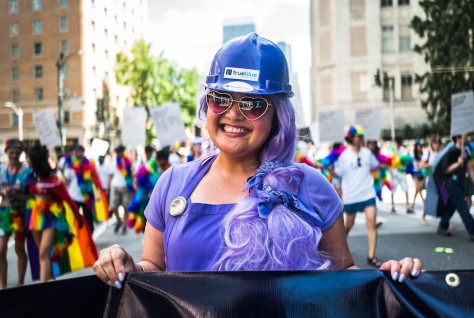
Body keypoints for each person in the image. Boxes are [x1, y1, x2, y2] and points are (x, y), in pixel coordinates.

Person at [93, 33, 421, 289]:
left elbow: (344, 277)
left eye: (253, 104)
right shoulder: (173, 183)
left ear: (277, 117)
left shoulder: (311, 186)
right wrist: (125, 265)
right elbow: (153, 270)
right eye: (220, 98)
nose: (233, 113)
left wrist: (389, 278)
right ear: (207, 105)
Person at [25, 145, 90, 282]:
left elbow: (67, 199)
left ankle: (42, 289)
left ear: (35, 161)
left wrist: (78, 219)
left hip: (52, 217)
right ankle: (52, 280)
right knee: (42, 253)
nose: (26, 161)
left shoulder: (54, 179)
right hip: (36, 217)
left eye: (28, 158)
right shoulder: (30, 177)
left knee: (43, 252)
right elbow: (27, 193)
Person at [333, 127, 384, 268]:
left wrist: (390, 163)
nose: (360, 138)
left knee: (371, 221)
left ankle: (371, 256)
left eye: (362, 136)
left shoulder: (367, 153)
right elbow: (338, 174)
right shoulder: (344, 156)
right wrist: (329, 168)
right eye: (357, 136)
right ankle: (339, 247)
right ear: (351, 138)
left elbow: (377, 165)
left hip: (367, 193)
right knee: (348, 224)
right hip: (351, 195)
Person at [435, 135, 474, 241]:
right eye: (463, 137)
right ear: (458, 139)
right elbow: (445, 170)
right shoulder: (451, 151)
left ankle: (442, 227)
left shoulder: (466, 151)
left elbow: (469, 169)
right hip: (451, 183)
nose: (467, 138)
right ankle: (473, 231)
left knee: (451, 207)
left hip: (460, 182)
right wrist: (457, 163)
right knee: (462, 206)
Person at [0, 139, 30, 288]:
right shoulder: (1, 170)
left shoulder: (26, 171)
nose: (14, 155)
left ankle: (20, 283)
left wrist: (18, 194)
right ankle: (2, 286)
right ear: (6, 153)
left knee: (19, 248)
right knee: (0, 249)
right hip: (4, 213)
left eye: (17, 153)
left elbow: (31, 196)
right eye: (11, 152)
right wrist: (3, 191)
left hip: (20, 214)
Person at [62, 145, 105, 234]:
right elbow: (66, 180)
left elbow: (96, 179)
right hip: (73, 196)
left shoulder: (89, 164)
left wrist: (98, 193)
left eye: (80, 151)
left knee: (89, 219)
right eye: (76, 151)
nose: (78, 153)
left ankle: (90, 237)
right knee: (74, 220)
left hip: (87, 196)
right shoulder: (69, 164)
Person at [108, 145, 135, 234]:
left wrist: (133, 185)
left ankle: (124, 225)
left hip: (125, 187)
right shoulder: (113, 162)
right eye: (118, 151)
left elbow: (131, 174)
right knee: (113, 206)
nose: (120, 153)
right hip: (115, 186)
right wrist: (107, 188)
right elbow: (110, 176)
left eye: (121, 151)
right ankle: (119, 221)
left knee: (126, 207)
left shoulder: (127, 161)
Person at [420, 136, 442, 225]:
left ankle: (445, 220)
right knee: (430, 197)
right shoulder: (428, 152)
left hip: (441, 178)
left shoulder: (441, 152)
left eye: (438, 143)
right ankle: (424, 216)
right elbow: (422, 165)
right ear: (432, 143)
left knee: (444, 197)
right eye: (435, 142)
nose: (437, 144)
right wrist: (431, 164)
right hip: (431, 179)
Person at [390, 137, 414, 214]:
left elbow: (407, 161)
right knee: (393, 190)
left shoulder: (403, 150)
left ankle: (408, 206)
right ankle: (393, 206)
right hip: (394, 172)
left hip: (402, 172)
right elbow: (389, 162)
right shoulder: (392, 151)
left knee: (406, 189)